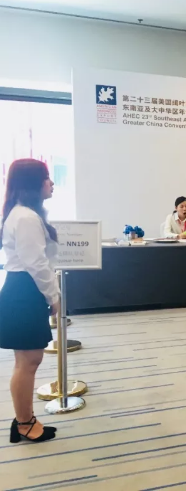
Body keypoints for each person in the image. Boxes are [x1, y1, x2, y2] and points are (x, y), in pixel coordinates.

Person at [0, 159, 58, 443]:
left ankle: (24, 418)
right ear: (33, 183)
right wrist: (54, 296)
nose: (51, 183)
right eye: (47, 178)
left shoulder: (24, 214)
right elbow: (36, 264)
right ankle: (24, 423)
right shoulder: (25, 217)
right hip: (24, 289)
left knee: (27, 360)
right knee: (28, 361)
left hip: (24, 288)